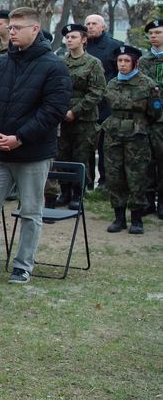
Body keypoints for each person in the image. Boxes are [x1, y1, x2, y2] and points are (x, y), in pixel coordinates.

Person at [0, 7, 70, 285]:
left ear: (35, 29)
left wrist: (20, 137)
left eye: (18, 28)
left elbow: (53, 110)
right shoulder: (0, 63)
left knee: (30, 211)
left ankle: (23, 265)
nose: (12, 33)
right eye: (10, 28)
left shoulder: (54, 66)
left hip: (32, 152)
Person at [101, 45, 157, 235]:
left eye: (126, 61)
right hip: (114, 133)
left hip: (137, 134)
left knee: (137, 175)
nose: (122, 65)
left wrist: (139, 120)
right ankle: (119, 218)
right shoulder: (112, 83)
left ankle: (136, 218)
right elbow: (110, 103)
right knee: (114, 175)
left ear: (135, 63)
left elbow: (155, 111)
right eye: (119, 61)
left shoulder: (147, 84)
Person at [52, 24, 105, 208]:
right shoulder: (60, 62)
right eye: (67, 38)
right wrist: (60, 110)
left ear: (83, 39)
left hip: (84, 119)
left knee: (80, 157)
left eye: (73, 37)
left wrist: (75, 111)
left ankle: (78, 193)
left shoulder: (93, 63)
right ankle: (64, 191)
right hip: (62, 117)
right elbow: (55, 89)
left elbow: (97, 92)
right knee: (62, 156)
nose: (69, 40)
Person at [85, 13, 123, 187]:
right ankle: (87, 180)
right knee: (86, 146)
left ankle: (104, 182)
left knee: (104, 145)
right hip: (85, 104)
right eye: (88, 24)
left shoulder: (115, 46)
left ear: (103, 27)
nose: (90, 26)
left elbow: (119, 76)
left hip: (106, 104)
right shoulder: (81, 44)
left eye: (94, 23)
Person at [140, 19, 163, 219]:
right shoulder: (143, 61)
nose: (154, 36)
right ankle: (147, 201)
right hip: (147, 118)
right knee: (146, 161)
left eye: (158, 32)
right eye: (151, 33)